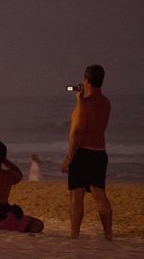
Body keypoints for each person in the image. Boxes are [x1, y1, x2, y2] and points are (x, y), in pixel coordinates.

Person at [60, 64, 112, 240]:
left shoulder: (84, 105)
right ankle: (108, 235)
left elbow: (77, 133)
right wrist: (80, 100)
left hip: (82, 153)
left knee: (77, 195)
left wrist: (69, 158)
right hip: (100, 152)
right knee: (100, 195)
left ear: (86, 80)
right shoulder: (106, 103)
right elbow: (97, 126)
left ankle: (74, 234)